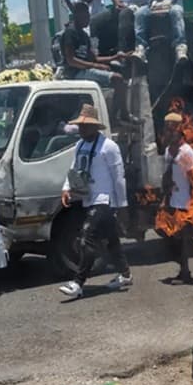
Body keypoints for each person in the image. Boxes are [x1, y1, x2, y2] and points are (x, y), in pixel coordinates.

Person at [59, 104, 132, 299]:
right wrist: (66, 188)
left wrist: (122, 205)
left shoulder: (109, 147)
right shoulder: (80, 145)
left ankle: (78, 282)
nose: (81, 129)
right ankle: (125, 274)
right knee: (111, 241)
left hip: (104, 199)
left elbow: (119, 178)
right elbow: (74, 169)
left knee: (86, 237)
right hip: (87, 198)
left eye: (85, 126)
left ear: (94, 127)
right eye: (80, 126)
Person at [62, 2, 133, 123]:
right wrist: (95, 66)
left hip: (86, 70)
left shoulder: (84, 35)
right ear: (77, 15)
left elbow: (93, 58)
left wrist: (114, 57)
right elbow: (71, 60)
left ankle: (115, 115)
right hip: (76, 73)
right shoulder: (70, 33)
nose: (89, 18)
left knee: (121, 77)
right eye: (86, 16)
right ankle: (122, 115)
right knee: (117, 79)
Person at [162, 112, 193, 284]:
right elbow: (167, 176)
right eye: (166, 129)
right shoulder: (169, 150)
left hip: (184, 202)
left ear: (178, 131)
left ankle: (186, 273)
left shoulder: (186, 152)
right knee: (174, 238)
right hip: (172, 201)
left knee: (183, 239)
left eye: (171, 130)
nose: (167, 133)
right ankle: (183, 270)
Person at [133, 0, 190, 64]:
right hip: (154, 6)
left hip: (172, 5)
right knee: (140, 13)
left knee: (177, 12)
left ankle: (180, 46)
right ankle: (141, 47)